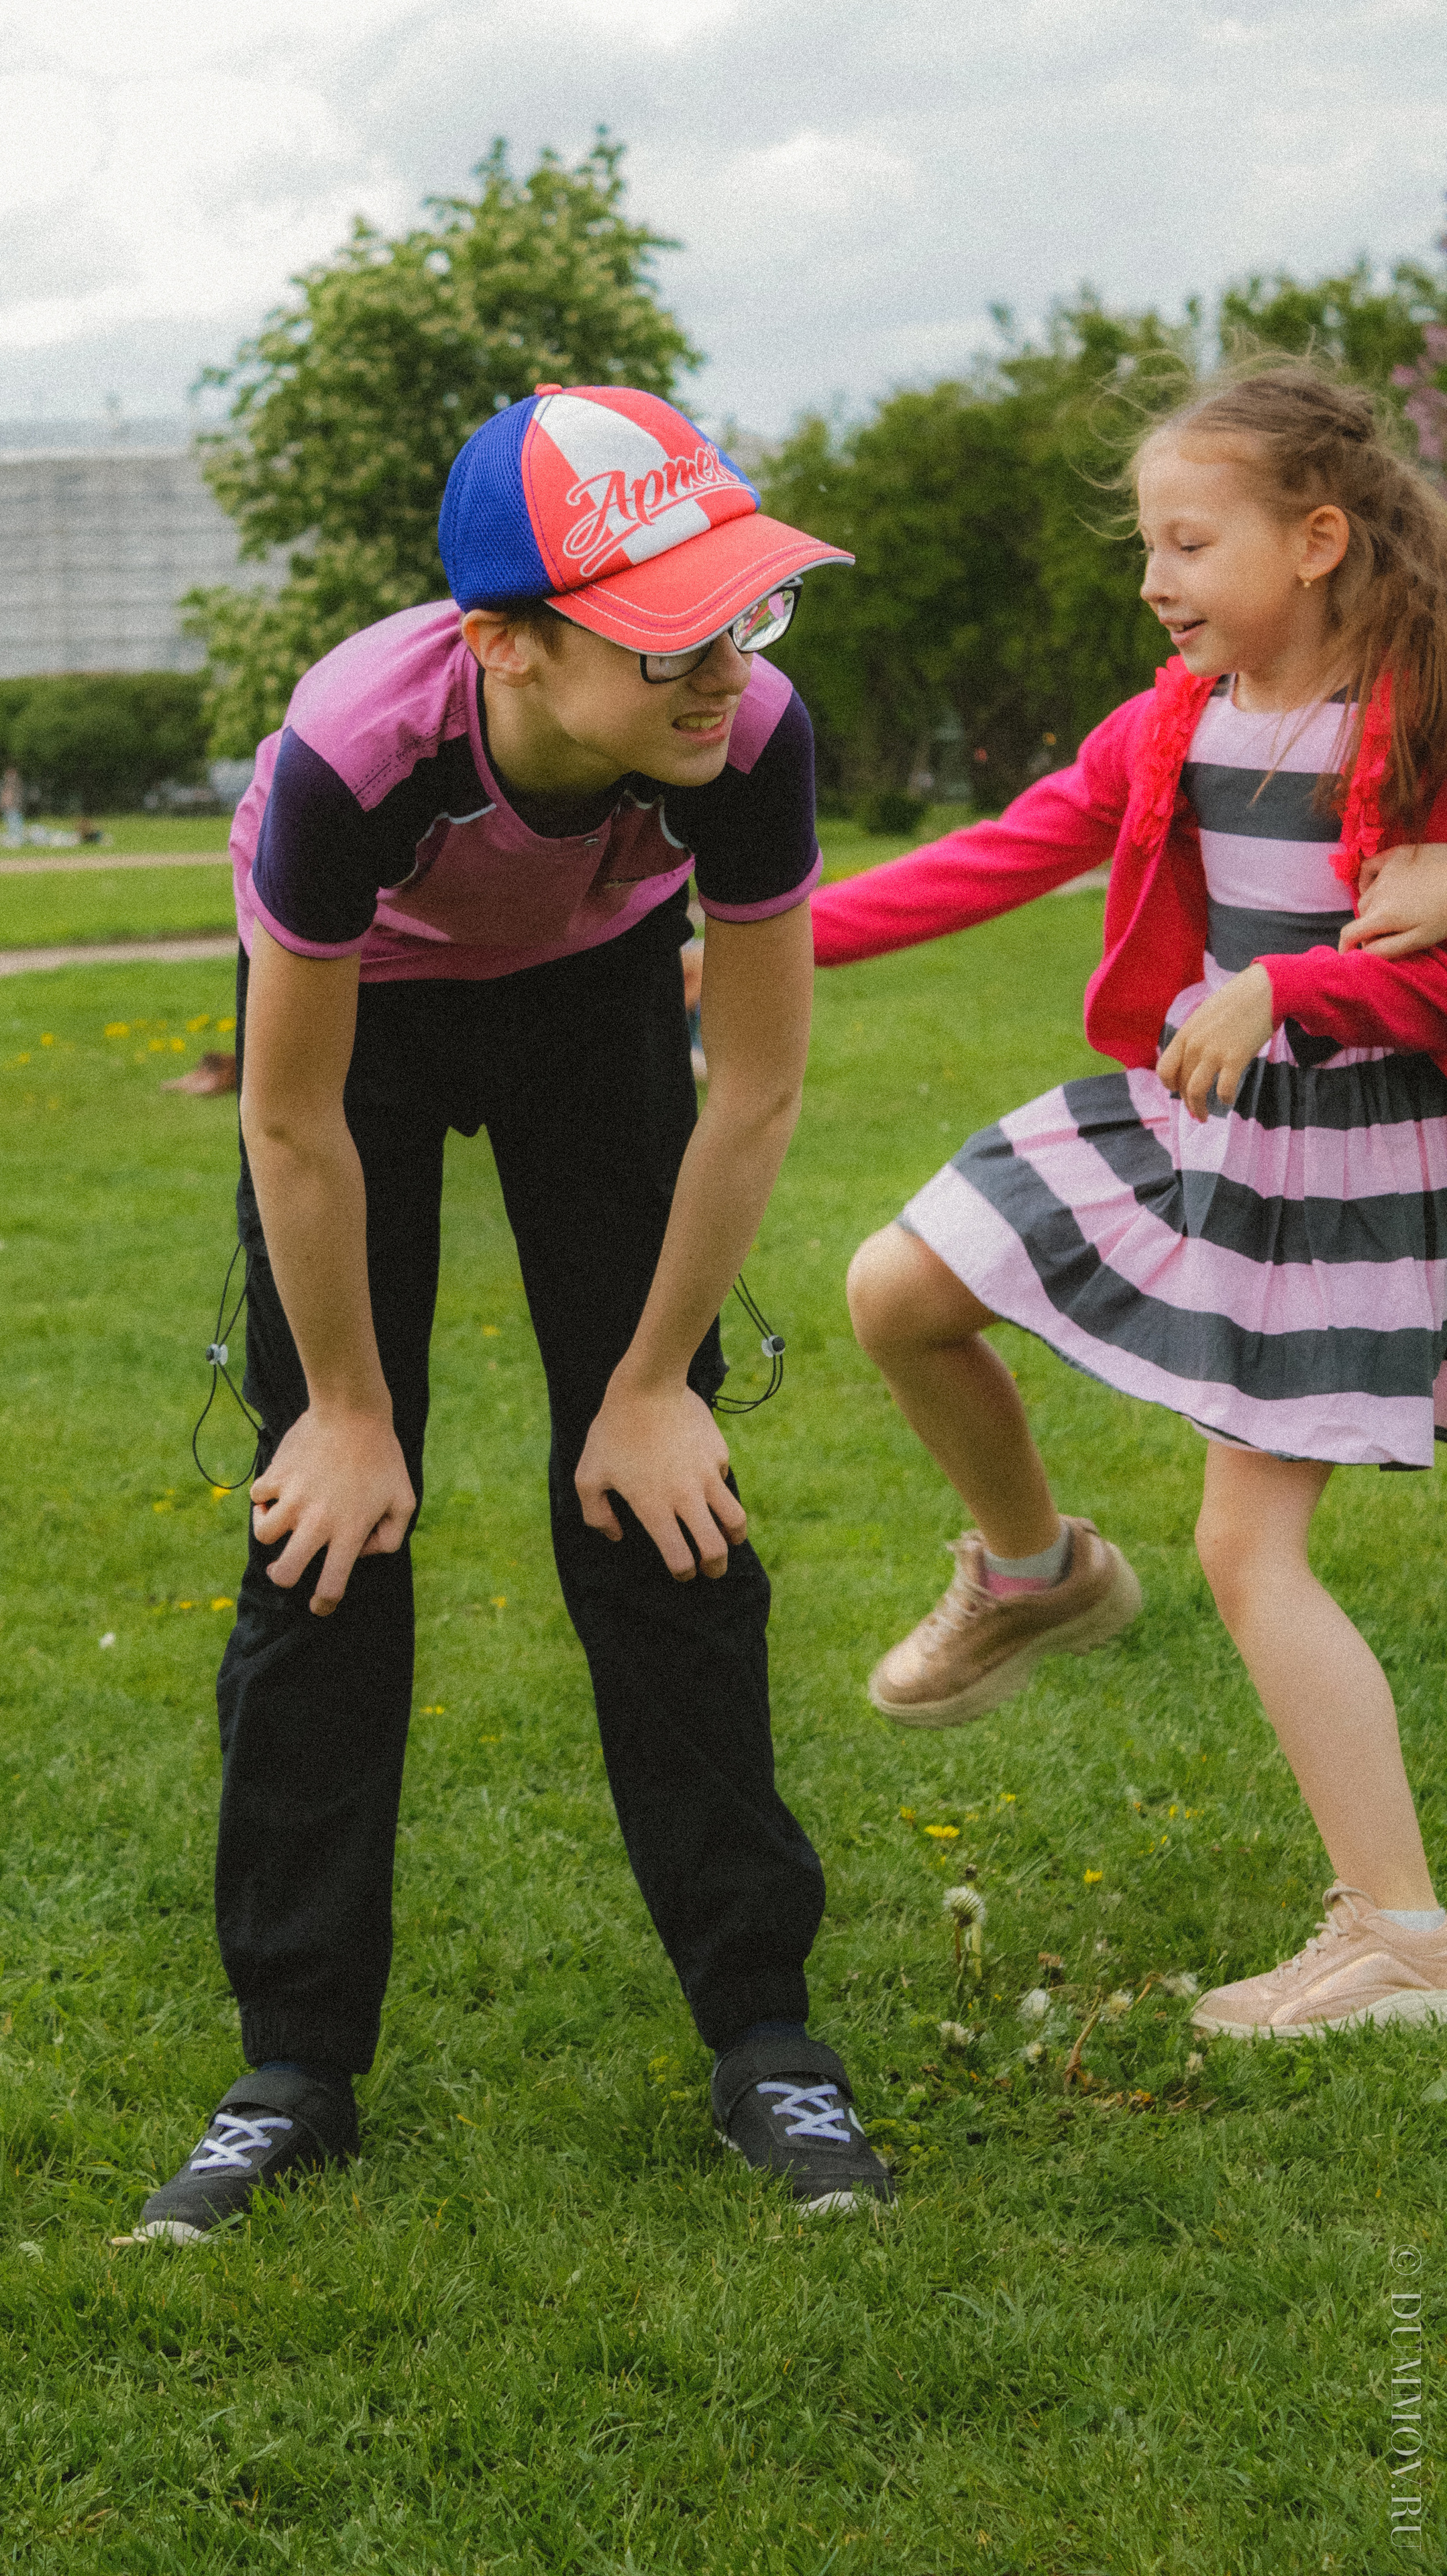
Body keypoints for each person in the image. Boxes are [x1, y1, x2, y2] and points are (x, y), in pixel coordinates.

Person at [132, 382, 893, 2242]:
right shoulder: (353, 755)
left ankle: (765, 2033)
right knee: (327, 1536)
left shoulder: (754, 733)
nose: (720, 668)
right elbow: (293, 1111)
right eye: (662, 635)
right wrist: (348, 1409)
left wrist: (649, 1383)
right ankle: (290, 2067)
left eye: (739, 611)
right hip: (364, 1031)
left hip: (593, 1005)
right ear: (507, 644)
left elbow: (759, 1089)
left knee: (663, 1504)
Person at [814, 364, 1447, 2044]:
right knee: (895, 1288)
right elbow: (1005, 847)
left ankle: (1397, 1936)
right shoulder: (1174, 715)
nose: (1154, 580)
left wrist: (1299, 985)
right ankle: (1029, 1571)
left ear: (1314, 538)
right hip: (1205, 1110)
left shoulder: (1416, 710)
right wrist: (750, 938)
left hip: (1357, 1150)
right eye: (1146, 547)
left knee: (1245, 1544)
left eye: (1187, 541)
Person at [0, 767, 25, 848]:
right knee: (11, 825)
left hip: (13, 809)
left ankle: (16, 841)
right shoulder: (9, 785)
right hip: (9, 810)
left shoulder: (15, 785)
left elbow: (12, 798)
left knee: (14, 826)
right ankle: (14, 840)